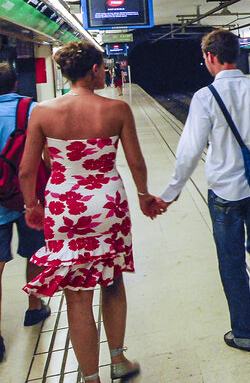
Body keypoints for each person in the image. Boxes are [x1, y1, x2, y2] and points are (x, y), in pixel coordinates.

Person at [19, 42, 160, 382]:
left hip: (63, 205)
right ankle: (118, 361)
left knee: (77, 295)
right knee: (111, 282)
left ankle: (90, 377)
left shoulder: (42, 111)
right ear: (95, 69)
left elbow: (27, 169)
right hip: (108, 203)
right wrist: (144, 196)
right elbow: (136, 161)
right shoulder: (117, 109)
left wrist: (32, 206)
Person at [158, 29, 250, 352]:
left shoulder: (205, 97)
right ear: (237, 54)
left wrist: (171, 191)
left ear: (210, 57)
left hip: (224, 193)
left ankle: (245, 332)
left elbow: (190, 150)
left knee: (231, 261)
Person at [0, 63, 50, 362]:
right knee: (33, 252)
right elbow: (46, 157)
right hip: (28, 197)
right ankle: (34, 308)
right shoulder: (32, 110)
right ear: (16, 83)